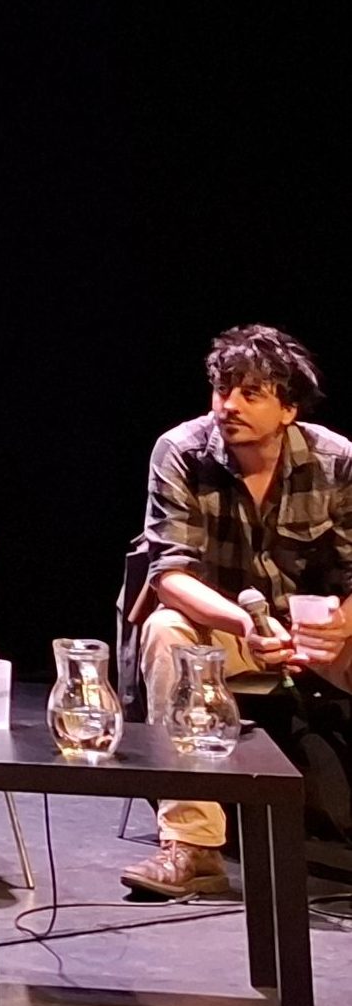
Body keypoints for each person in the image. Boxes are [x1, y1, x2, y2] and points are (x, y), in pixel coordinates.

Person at [124, 325, 352, 899]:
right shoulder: (180, 451)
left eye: (251, 393)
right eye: (222, 390)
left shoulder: (335, 459)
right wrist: (243, 624)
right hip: (222, 628)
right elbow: (169, 575)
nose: (229, 405)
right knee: (165, 629)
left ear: (288, 408)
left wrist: (342, 622)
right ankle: (192, 844)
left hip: (314, 630)